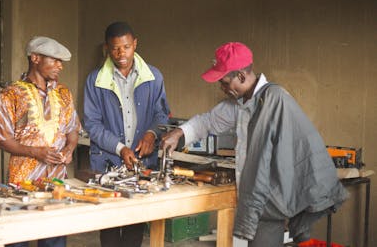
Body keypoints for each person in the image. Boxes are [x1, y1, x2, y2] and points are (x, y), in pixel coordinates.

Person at [161, 42, 348, 247]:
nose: (221, 88)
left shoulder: (274, 100)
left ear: (241, 76)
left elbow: (287, 155)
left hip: (269, 199)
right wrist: (179, 132)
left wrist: (252, 211)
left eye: (224, 82)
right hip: (258, 199)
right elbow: (208, 122)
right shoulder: (238, 104)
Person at [84, 22, 170, 247]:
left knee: (135, 225)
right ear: (107, 48)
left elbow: (162, 115)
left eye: (126, 47)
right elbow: (92, 124)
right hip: (108, 163)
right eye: (115, 48)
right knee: (110, 226)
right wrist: (120, 148)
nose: (121, 53)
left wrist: (151, 134)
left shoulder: (153, 77)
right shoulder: (95, 81)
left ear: (135, 44)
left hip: (140, 163)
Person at [0, 36, 81, 247]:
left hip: (56, 181)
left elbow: (73, 131)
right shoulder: (11, 94)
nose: (60, 66)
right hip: (21, 182)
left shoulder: (64, 94)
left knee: (55, 237)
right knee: (18, 238)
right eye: (54, 60)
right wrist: (35, 152)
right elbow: (2, 139)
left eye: (61, 62)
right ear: (35, 58)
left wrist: (70, 149)